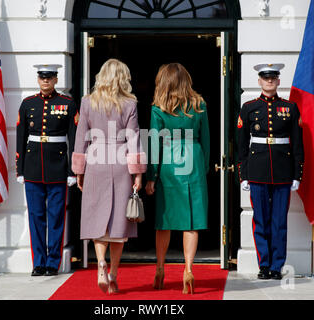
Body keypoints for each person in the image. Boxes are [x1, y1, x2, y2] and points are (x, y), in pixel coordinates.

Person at [71, 59, 146, 294]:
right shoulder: (130, 103)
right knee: (118, 223)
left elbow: (81, 136)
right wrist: (138, 174)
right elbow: (134, 138)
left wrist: (78, 170)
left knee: (97, 216)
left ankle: (100, 263)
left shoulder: (87, 102)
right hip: (121, 160)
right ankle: (113, 273)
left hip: (95, 160)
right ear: (123, 77)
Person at [145, 63, 210, 295]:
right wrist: (203, 169)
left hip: (169, 163)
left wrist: (151, 176)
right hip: (193, 161)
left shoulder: (158, 108)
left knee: (164, 221)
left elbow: (154, 144)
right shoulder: (199, 104)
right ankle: (189, 270)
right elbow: (206, 140)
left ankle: (160, 269)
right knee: (190, 222)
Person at [237, 63, 304, 280]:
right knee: (261, 220)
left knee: (279, 222)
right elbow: (241, 144)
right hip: (257, 171)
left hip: (283, 171)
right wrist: (243, 174)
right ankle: (264, 265)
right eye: (265, 78)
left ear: (278, 81)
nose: (269, 81)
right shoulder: (248, 108)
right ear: (259, 81)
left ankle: (277, 266)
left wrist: (297, 174)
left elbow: (297, 145)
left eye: (273, 78)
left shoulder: (290, 107)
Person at [16, 64, 78, 276]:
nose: (45, 81)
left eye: (49, 78)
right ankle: (39, 262)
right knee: (36, 216)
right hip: (33, 167)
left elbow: (74, 138)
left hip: (58, 167)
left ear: (55, 80)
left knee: (56, 217)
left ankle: (53, 263)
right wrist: (20, 169)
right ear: (38, 79)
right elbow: (21, 137)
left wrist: (72, 171)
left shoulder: (67, 103)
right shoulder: (27, 104)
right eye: (42, 78)